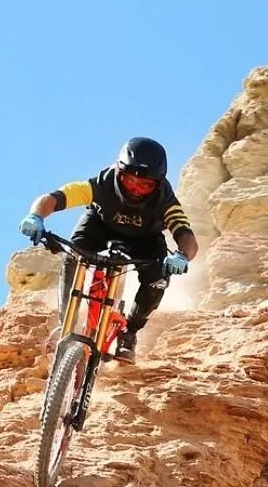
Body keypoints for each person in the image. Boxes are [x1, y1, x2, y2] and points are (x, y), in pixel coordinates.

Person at [19, 137, 198, 363]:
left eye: (145, 185)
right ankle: (66, 323)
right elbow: (55, 198)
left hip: (145, 239)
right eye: (130, 180)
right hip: (99, 226)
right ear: (119, 172)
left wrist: (182, 255)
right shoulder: (100, 185)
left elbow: (186, 236)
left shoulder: (166, 202)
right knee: (72, 255)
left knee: (158, 279)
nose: (135, 189)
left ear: (158, 184)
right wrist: (36, 216)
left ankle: (129, 334)